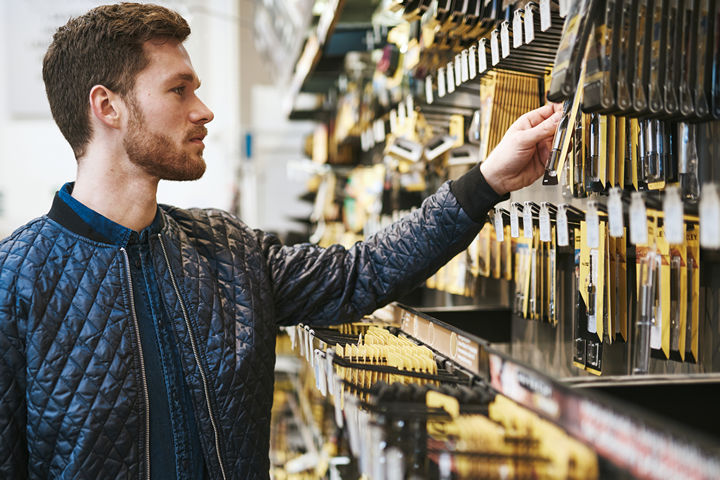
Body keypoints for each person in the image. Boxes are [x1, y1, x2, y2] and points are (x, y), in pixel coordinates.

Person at [0, 3, 562, 479]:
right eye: (179, 90)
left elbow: (360, 272)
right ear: (108, 108)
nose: (205, 110)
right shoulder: (15, 282)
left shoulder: (226, 250)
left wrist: (485, 183)